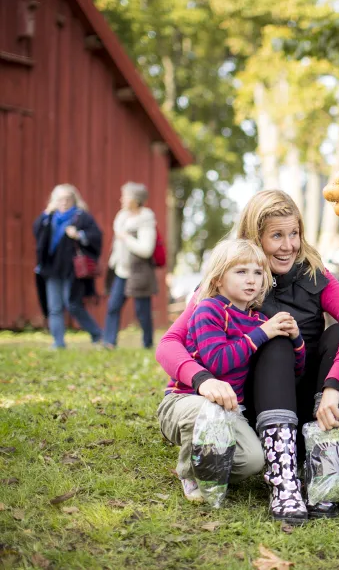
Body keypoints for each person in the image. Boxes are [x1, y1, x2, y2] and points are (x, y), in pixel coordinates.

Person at [156, 189, 339, 524]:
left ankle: (325, 465)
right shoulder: (231, 280)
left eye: (294, 234)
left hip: (312, 401)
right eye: (276, 236)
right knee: (274, 343)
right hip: (255, 403)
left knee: (335, 334)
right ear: (254, 237)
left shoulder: (313, 273)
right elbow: (169, 343)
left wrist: (333, 385)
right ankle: (283, 477)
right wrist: (203, 380)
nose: (288, 245)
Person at [158, 239, 305, 507]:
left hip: (230, 410)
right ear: (218, 279)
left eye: (258, 273)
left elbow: (297, 369)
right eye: (241, 272)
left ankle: (210, 465)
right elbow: (217, 363)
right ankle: (190, 472)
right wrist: (262, 334)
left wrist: (295, 340)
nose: (251, 280)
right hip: (186, 402)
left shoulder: (259, 320)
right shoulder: (208, 309)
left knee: (253, 460)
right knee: (206, 412)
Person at [33, 184, 103, 349]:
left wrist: (79, 235)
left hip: (72, 271)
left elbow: (96, 237)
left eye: (67, 199)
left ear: (74, 200)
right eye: (59, 199)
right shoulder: (49, 217)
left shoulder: (81, 217)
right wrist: (46, 213)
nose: (63, 202)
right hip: (51, 269)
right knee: (54, 307)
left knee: (73, 304)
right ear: (53, 200)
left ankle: (96, 333)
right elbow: (36, 232)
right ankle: (58, 342)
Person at [103, 182, 158, 348]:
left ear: (135, 199)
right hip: (121, 270)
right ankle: (109, 342)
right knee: (113, 306)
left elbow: (146, 250)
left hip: (139, 273)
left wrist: (126, 237)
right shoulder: (121, 217)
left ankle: (147, 343)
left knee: (142, 312)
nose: (121, 199)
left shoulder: (146, 220)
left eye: (125, 196)